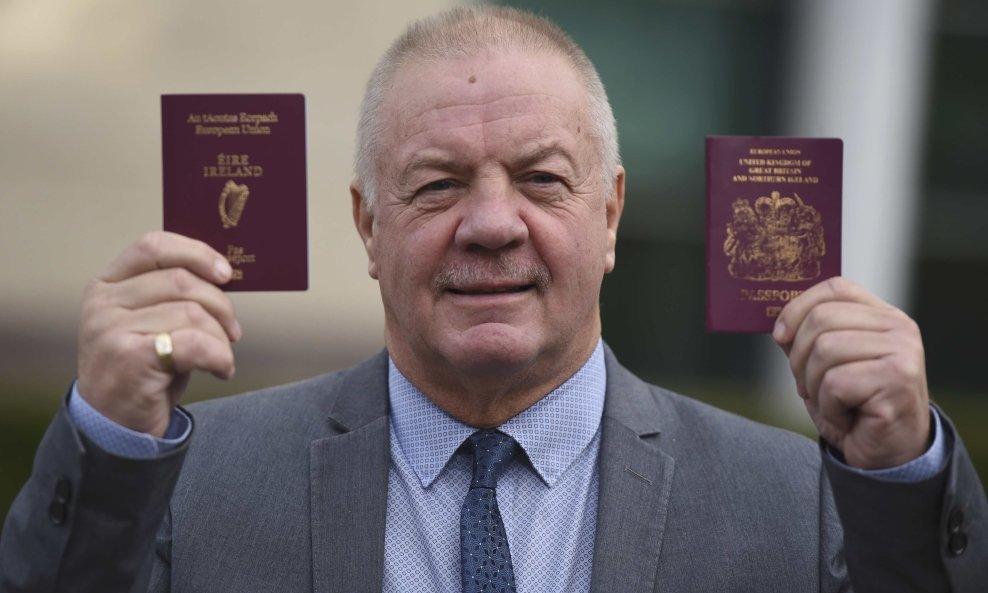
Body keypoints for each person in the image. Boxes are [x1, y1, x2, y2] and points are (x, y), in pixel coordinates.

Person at [1, 6, 984, 592]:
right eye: (436, 185)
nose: (489, 223)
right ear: (368, 226)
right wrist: (109, 438)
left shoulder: (800, 502)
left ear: (610, 215)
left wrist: (901, 472)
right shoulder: (191, 481)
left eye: (542, 179)